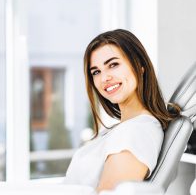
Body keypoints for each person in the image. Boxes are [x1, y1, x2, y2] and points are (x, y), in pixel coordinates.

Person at [63, 29, 180, 193]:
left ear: (139, 66)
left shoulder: (136, 132)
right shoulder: (125, 128)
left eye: (113, 65)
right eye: (96, 72)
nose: (104, 78)